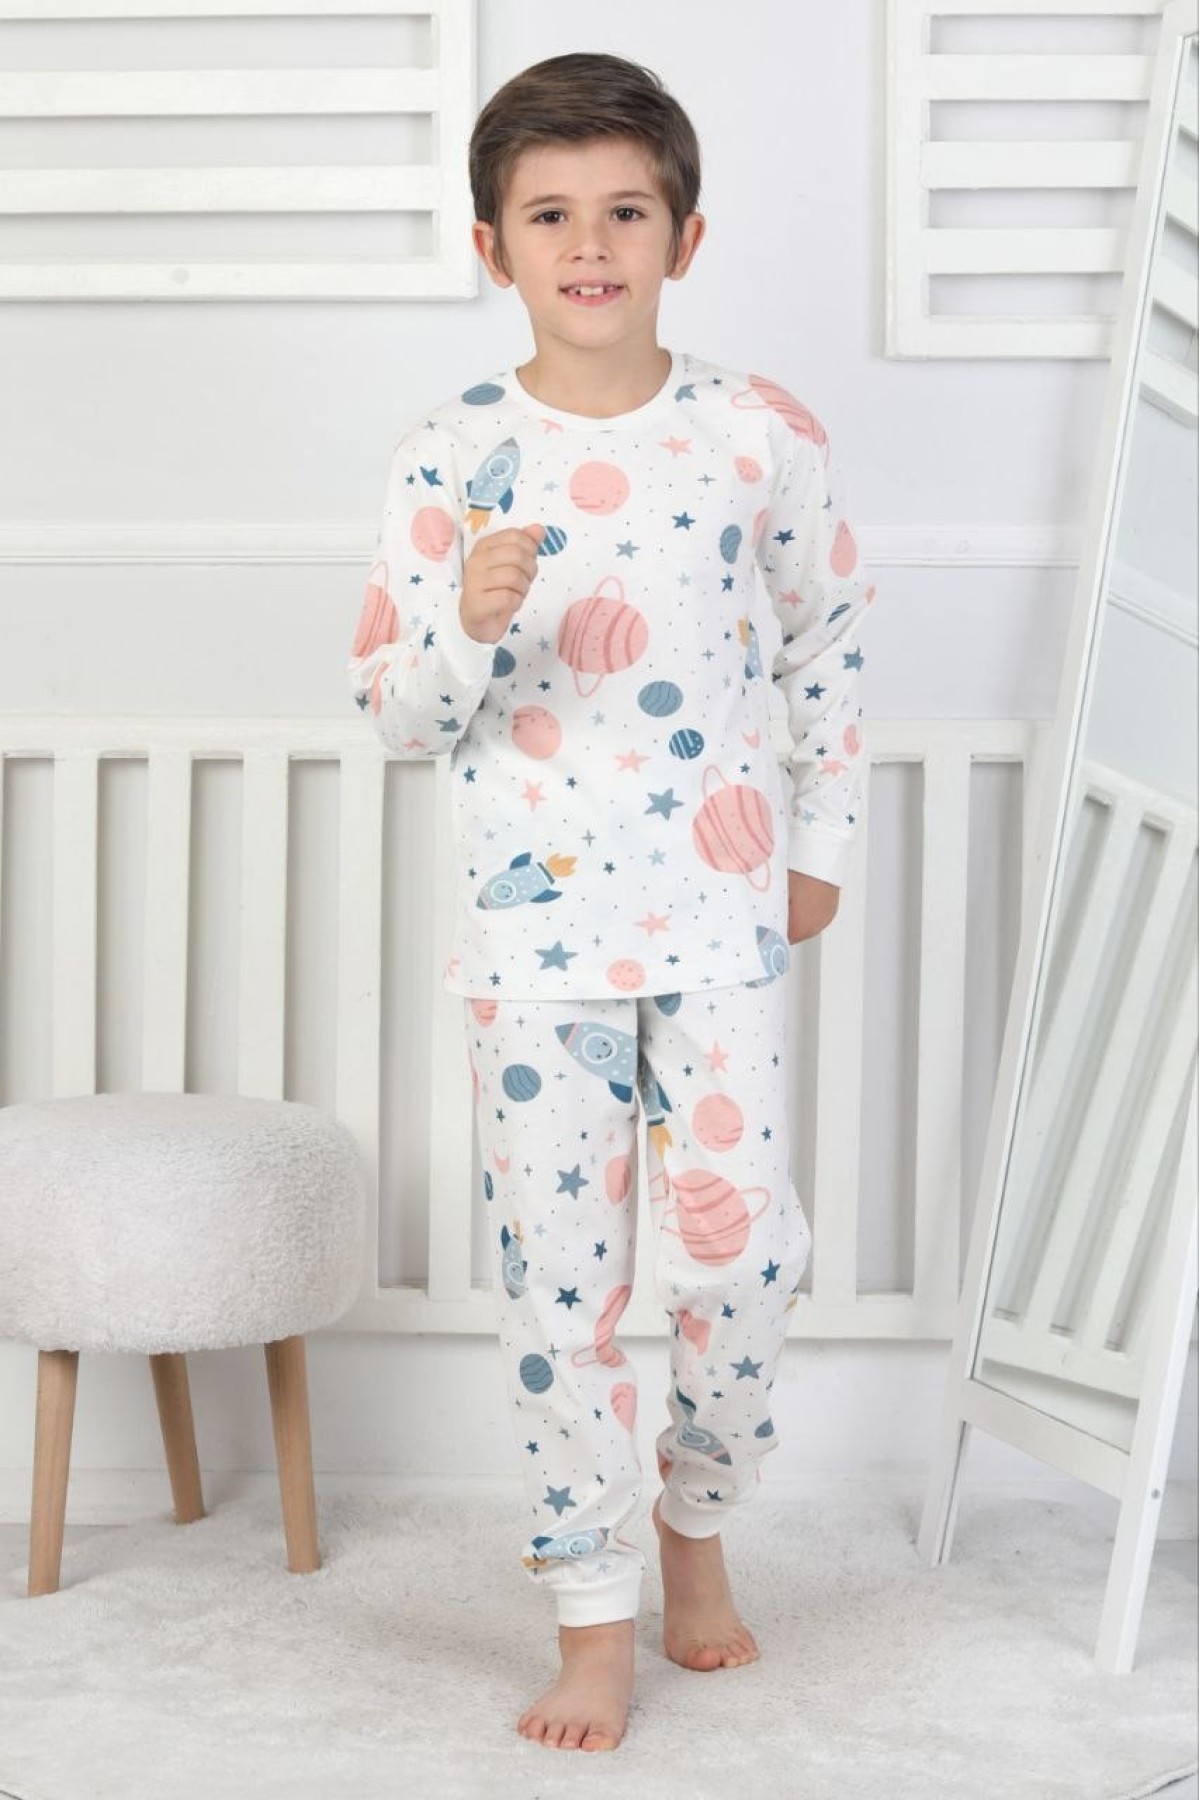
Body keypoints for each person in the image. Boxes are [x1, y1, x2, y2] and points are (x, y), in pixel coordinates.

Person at [347, 49, 873, 1755]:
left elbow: (829, 644)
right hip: (533, 944)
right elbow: (399, 717)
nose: (590, 244)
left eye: (626, 212)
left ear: (685, 238)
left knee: (743, 1258)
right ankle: (590, 1611)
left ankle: (696, 1526)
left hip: (720, 919)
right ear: (492, 246)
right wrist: (467, 623)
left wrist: (820, 848)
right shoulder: (451, 457)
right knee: (558, 1288)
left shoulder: (757, 432)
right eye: (551, 215)